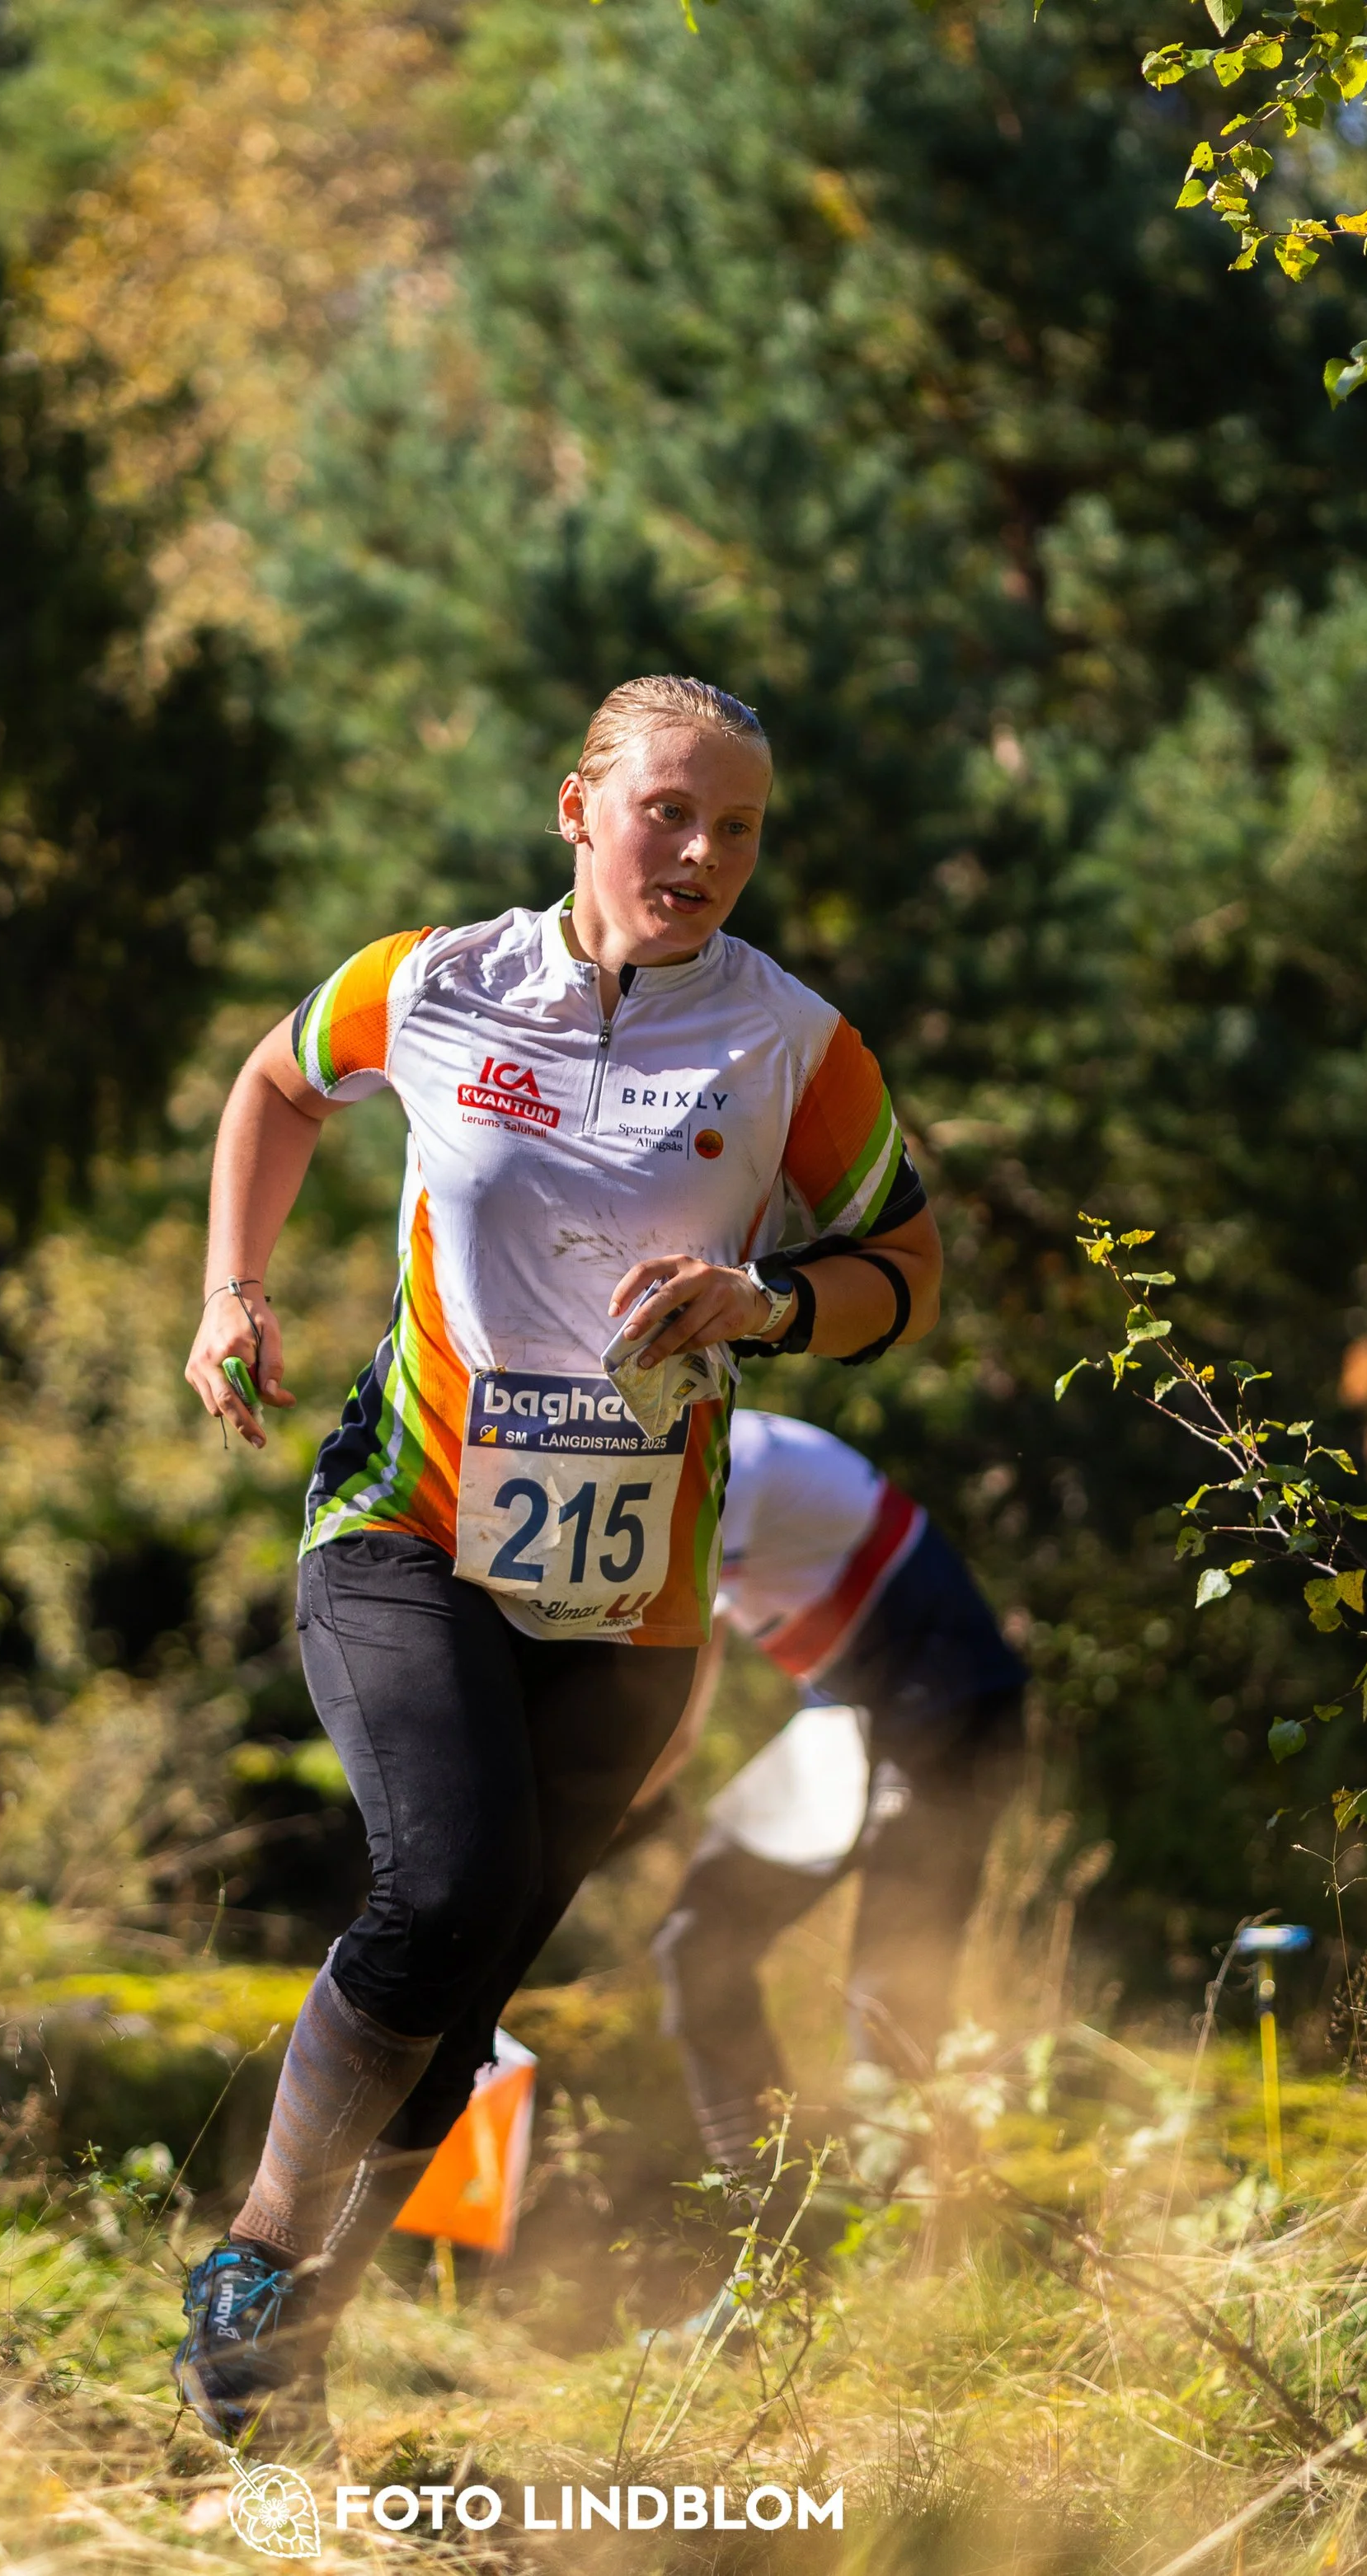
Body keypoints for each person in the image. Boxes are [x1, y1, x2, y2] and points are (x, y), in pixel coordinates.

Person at [176, 674, 942, 2447]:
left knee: (470, 1985)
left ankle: (286, 2369)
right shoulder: (428, 980)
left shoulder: (792, 1045)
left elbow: (903, 1260)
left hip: (631, 1596)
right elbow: (276, 1085)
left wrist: (772, 1299)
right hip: (409, 1516)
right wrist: (232, 1288)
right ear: (575, 807)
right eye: (668, 809)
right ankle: (257, 2255)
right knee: (436, 1887)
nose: (701, 852)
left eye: (737, 825)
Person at [646, 1408, 1027, 2171]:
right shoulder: (636, 1459)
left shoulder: (728, 1457)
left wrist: (613, 1805)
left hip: (952, 1704)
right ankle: (773, 2240)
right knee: (699, 1948)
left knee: (892, 1991)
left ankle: (929, 2241)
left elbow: (677, 1723)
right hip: (845, 1712)